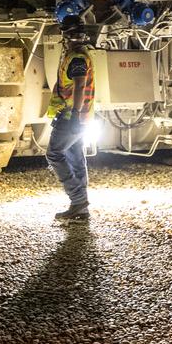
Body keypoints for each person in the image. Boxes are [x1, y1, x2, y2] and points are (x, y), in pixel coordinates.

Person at [45, 17, 95, 221]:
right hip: (81, 117)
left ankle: (78, 199)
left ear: (66, 35)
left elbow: (80, 86)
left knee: (54, 154)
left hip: (72, 116)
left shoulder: (76, 58)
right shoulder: (80, 55)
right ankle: (80, 207)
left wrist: (74, 114)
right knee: (75, 157)